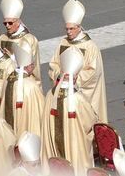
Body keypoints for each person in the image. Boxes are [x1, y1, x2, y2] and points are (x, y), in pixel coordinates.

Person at [41, 47, 95, 175]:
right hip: (74, 146)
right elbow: (89, 123)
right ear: (75, 77)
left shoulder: (50, 94)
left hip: (54, 144)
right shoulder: (78, 99)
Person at [0, 0, 40, 80]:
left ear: (18, 22)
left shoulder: (29, 39)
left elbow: (32, 66)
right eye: (5, 23)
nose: (7, 26)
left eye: (10, 23)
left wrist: (11, 59)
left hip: (23, 80)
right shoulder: (2, 38)